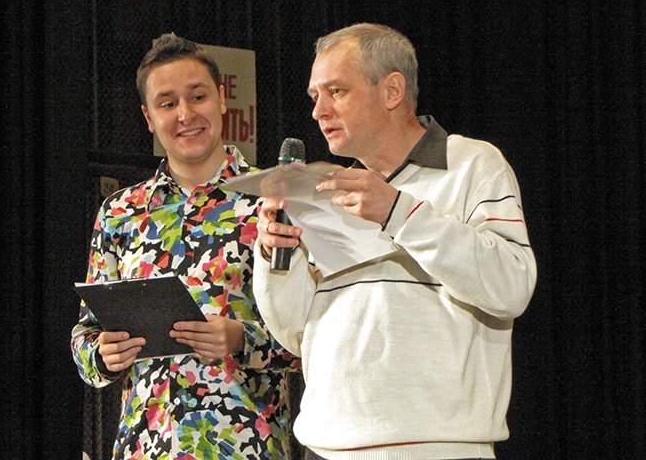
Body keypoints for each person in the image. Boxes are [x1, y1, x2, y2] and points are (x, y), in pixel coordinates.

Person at [253, 23, 537, 460]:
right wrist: (277, 254)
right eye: (315, 96)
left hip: (438, 448)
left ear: (391, 91)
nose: (318, 111)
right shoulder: (327, 191)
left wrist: (398, 212)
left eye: (336, 92)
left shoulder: (471, 163)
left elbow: (511, 285)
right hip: (324, 446)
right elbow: (294, 334)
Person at [71, 33, 299, 459]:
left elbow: (313, 338)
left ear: (222, 100)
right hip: (146, 446)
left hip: (245, 444)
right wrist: (102, 354)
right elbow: (85, 337)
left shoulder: (274, 200)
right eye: (167, 103)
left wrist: (240, 339)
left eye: (198, 97)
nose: (185, 114)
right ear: (148, 117)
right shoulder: (120, 212)